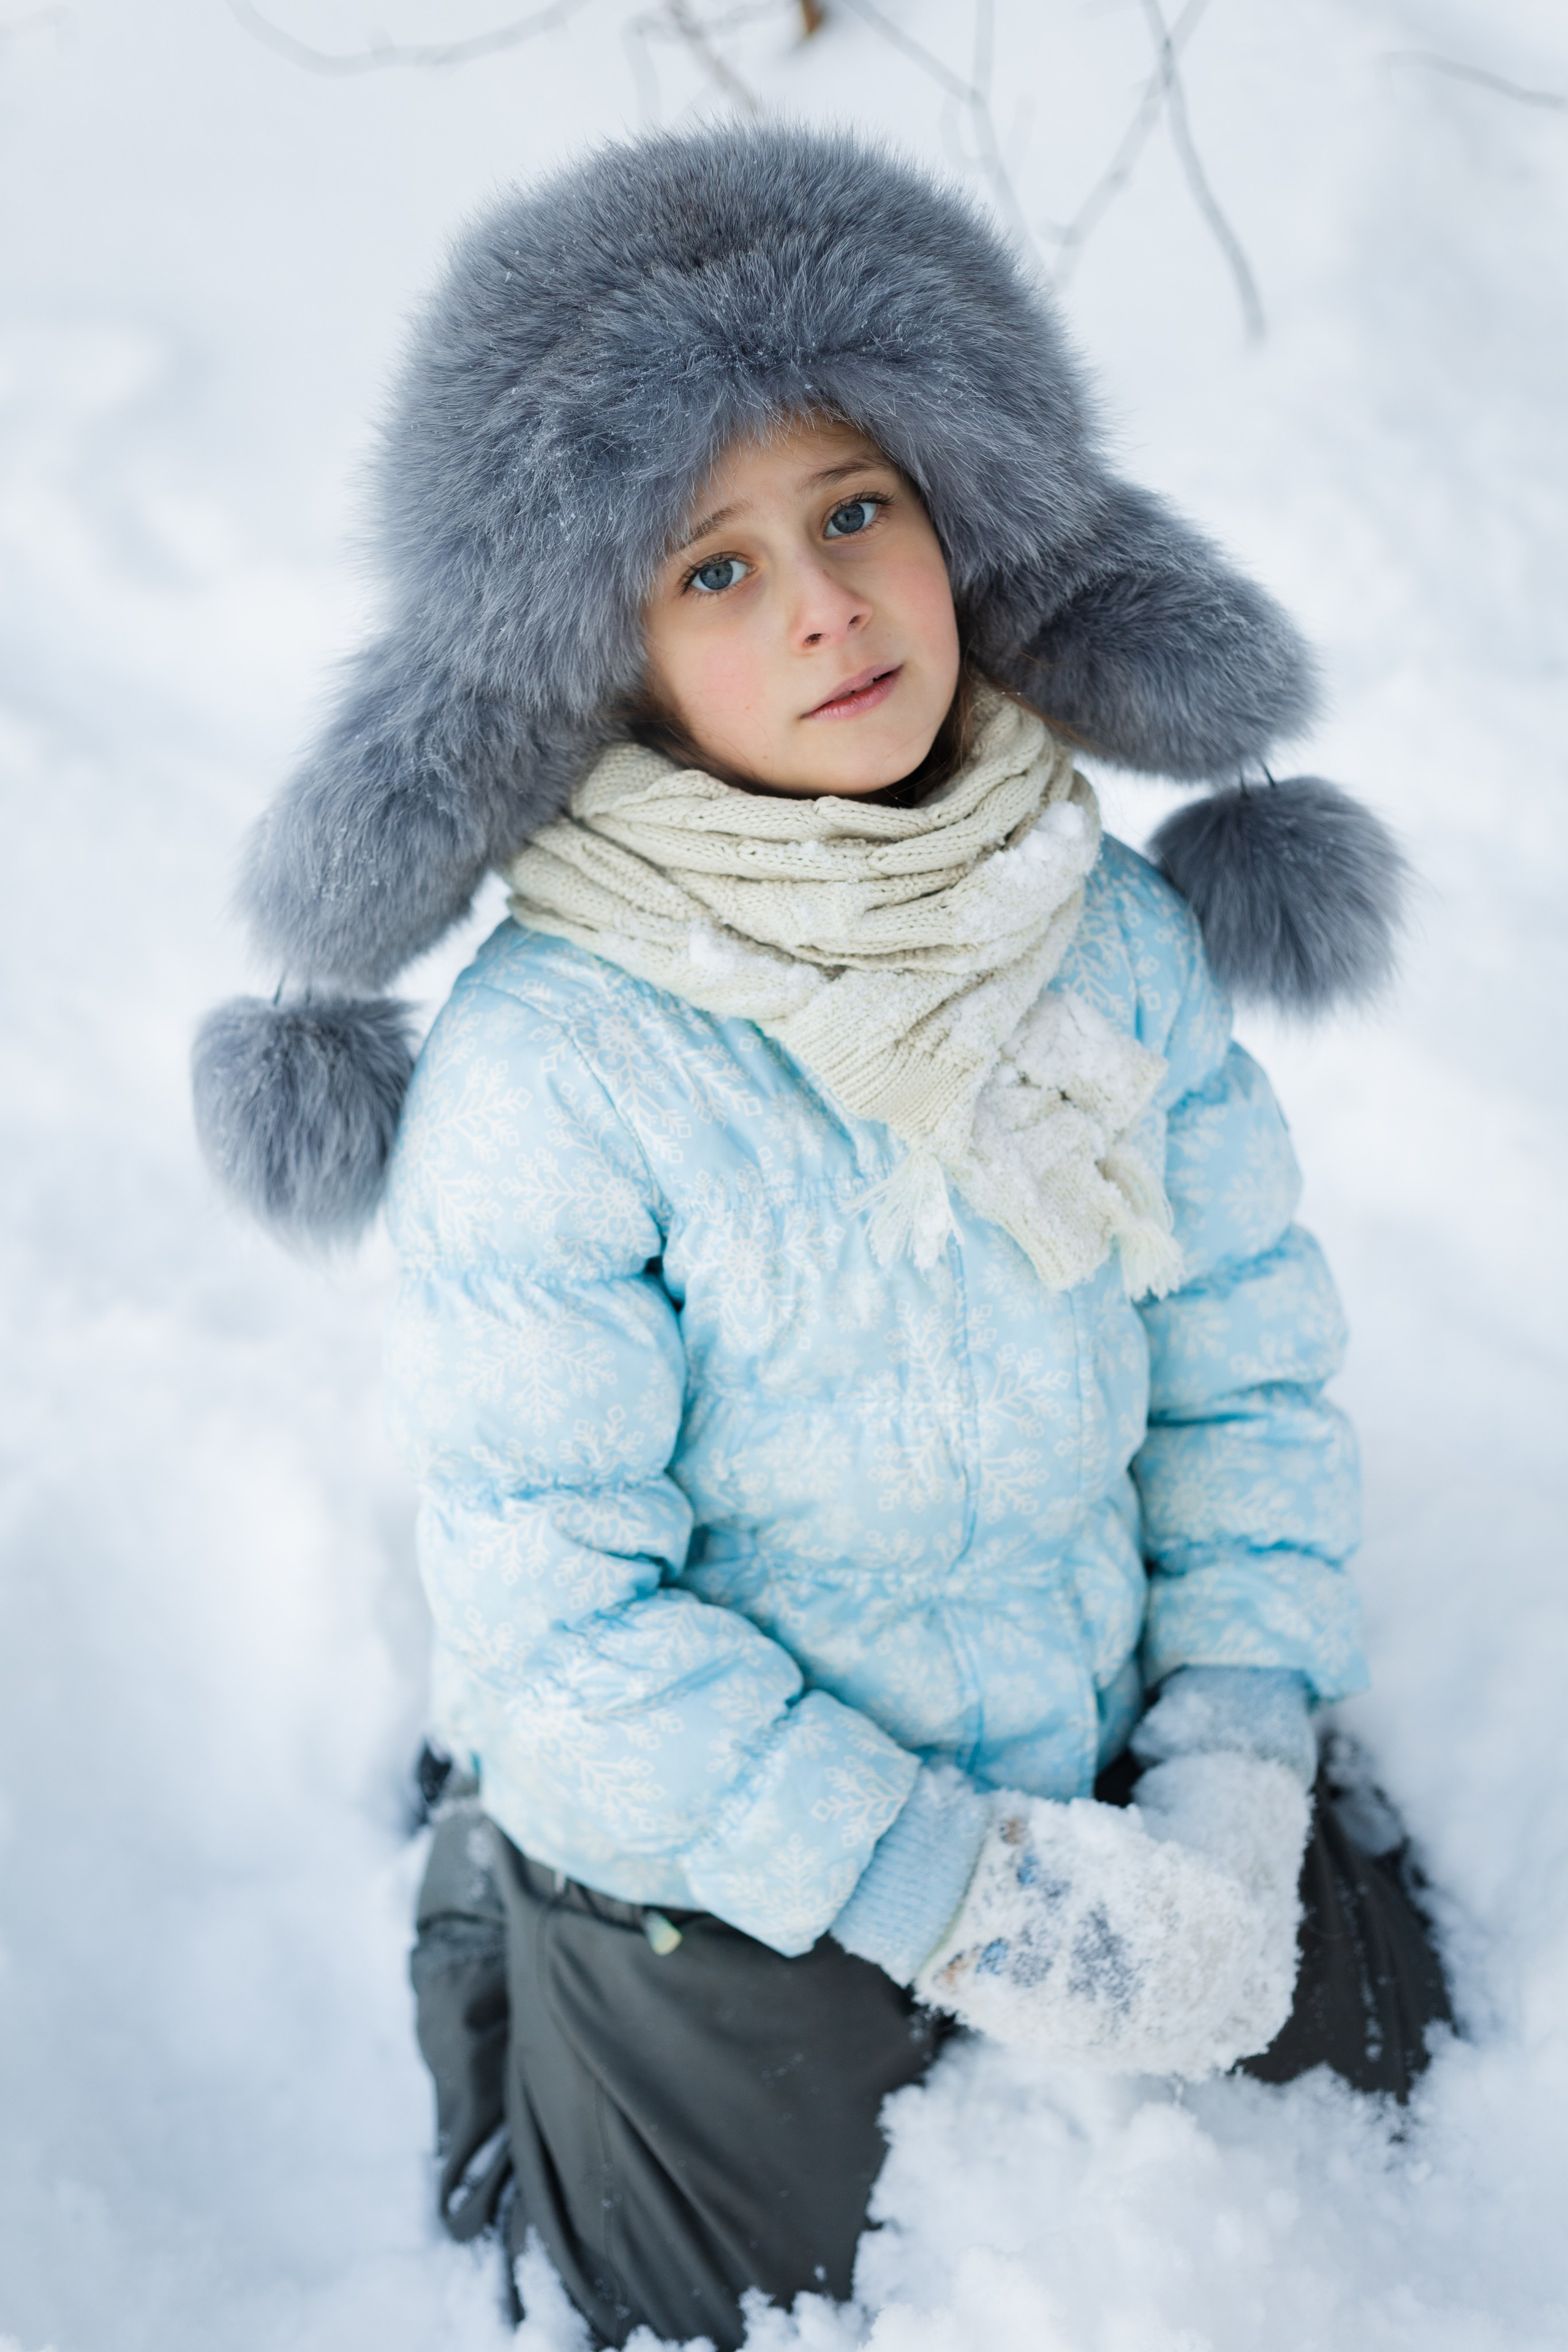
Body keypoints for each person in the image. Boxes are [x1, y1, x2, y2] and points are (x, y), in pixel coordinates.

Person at [192, 126, 1452, 2350]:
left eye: (857, 510)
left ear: (960, 514)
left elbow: (1244, 1385)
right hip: (745, 1842)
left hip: (1081, 1720)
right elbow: (574, 1630)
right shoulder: (556, 1071)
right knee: (752, 2292)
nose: (823, 606)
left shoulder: (1105, 933)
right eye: (712, 569)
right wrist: (967, 1901)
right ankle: (502, 1917)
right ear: (605, 661)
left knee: (1343, 2063)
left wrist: (1234, 1764)